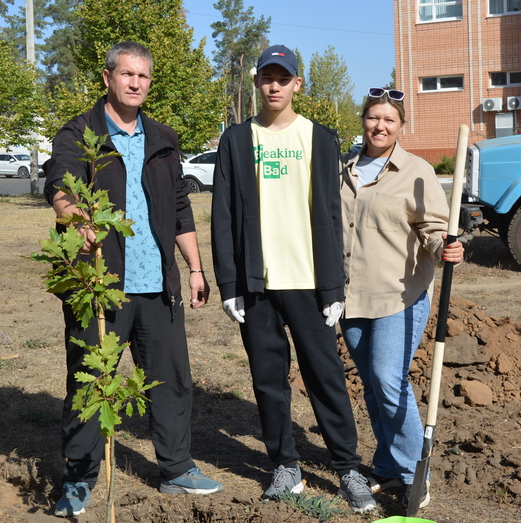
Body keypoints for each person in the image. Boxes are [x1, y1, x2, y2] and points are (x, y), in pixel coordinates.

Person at [44, 41, 224, 517]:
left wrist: (195, 268)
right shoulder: (81, 132)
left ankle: (177, 468)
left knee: (171, 378)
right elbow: (59, 184)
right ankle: (79, 477)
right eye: (127, 75)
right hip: (102, 283)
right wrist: (75, 218)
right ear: (107, 78)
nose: (136, 83)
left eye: (143, 76)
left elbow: (180, 207)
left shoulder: (163, 137)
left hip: (158, 282)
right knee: (90, 383)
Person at [210, 44, 377, 513]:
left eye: (284, 78)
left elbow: (330, 214)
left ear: (297, 84)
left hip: (308, 282)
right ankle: (286, 466)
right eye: (268, 77)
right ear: (258, 83)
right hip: (257, 284)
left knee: (326, 377)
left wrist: (334, 286)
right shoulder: (237, 140)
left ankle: (347, 468)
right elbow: (222, 214)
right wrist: (230, 284)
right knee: (268, 380)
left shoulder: (320, 139)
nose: (275, 85)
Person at [339, 87, 463, 510]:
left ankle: (414, 475)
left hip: (399, 293)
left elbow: (433, 226)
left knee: (388, 379)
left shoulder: (416, 171)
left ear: (400, 126)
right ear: (364, 121)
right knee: (372, 387)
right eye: (374, 118)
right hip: (351, 296)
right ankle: (389, 465)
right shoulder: (346, 169)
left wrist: (444, 245)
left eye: (389, 120)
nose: (380, 126)